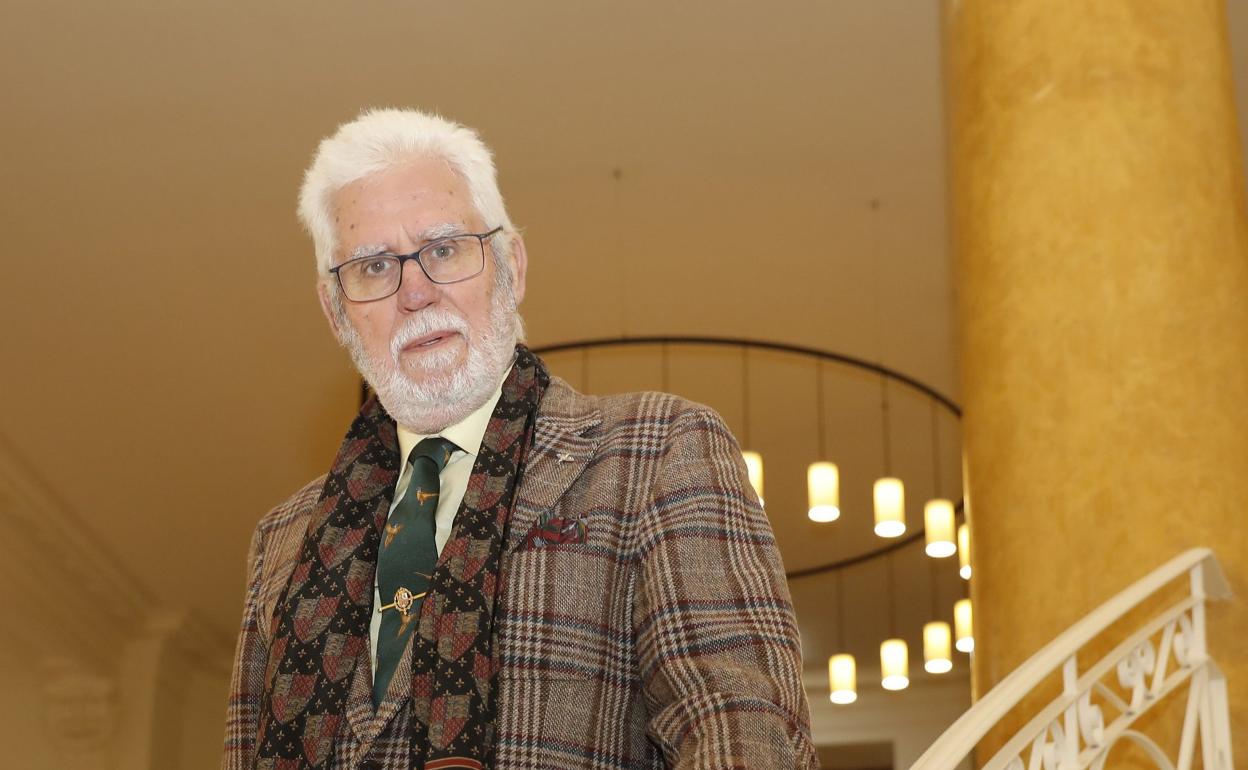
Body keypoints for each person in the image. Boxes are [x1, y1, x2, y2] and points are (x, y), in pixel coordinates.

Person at [223, 107, 818, 770]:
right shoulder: (283, 538)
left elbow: (741, 731)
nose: (415, 292)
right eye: (372, 267)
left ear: (511, 265)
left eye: (444, 249)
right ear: (336, 312)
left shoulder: (657, 450)